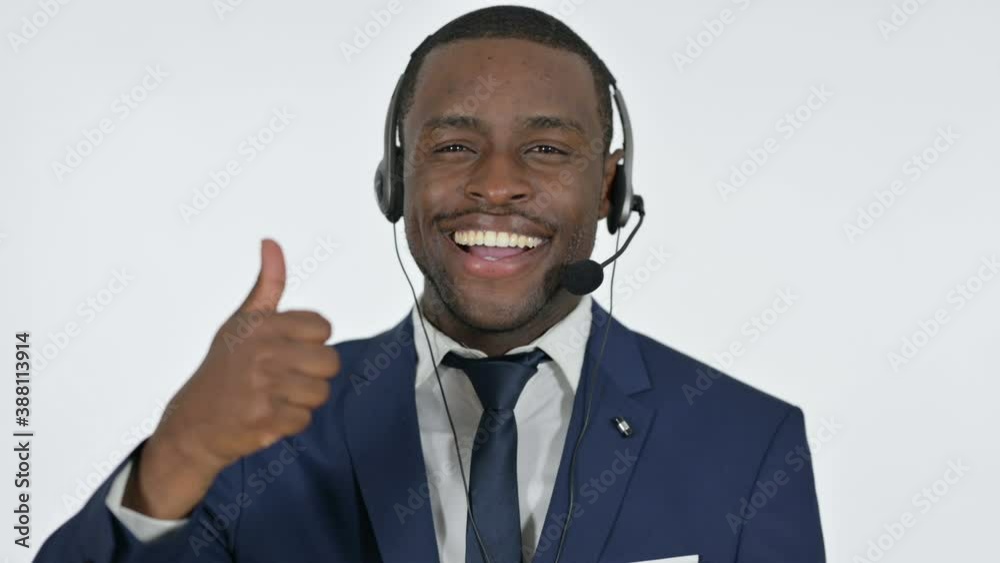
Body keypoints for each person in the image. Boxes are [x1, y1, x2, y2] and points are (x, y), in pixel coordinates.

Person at [37, 6, 825, 563]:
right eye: (453, 145)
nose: (496, 185)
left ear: (611, 188)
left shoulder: (746, 443)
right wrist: (173, 462)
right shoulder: (258, 434)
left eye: (547, 150)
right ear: (395, 178)